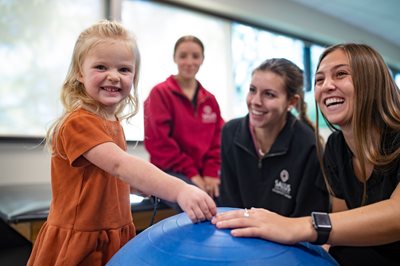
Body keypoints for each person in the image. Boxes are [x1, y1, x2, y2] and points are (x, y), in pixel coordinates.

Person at [27, 21, 216, 266]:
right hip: (82, 242)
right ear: (79, 73)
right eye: (101, 67)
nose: (114, 76)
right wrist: (180, 189)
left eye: (124, 69)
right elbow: (119, 164)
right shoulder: (78, 122)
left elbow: (104, 175)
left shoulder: (112, 121)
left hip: (113, 233)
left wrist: (132, 187)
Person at [212, 43, 400, 266]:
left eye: (340, 74)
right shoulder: (335, 148)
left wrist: (297, 227)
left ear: (372, 82)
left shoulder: (309, 145)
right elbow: (342, 228)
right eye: (320, 79)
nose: (327, 85)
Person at [219, 58, 329, 217]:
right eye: (252, 90)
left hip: (287, 240)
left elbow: (307, 220)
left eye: (269, 94)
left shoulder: (308, 146)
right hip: (236, 233)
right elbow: (228, 204)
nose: (256, 101)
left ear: (291, 101)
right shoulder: (231, 132)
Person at [144, 35, 224, 209]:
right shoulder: (160, 93)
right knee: (199, 204)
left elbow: (218, 141)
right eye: (183, 56)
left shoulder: (210, 100)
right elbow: (159, 144)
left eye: (195, 56)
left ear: (202, 59)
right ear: (175, 58)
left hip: (203, 172)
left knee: (230, 195)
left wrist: (211, 172)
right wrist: (191, 173)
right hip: (170, 171)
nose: (189, 62)